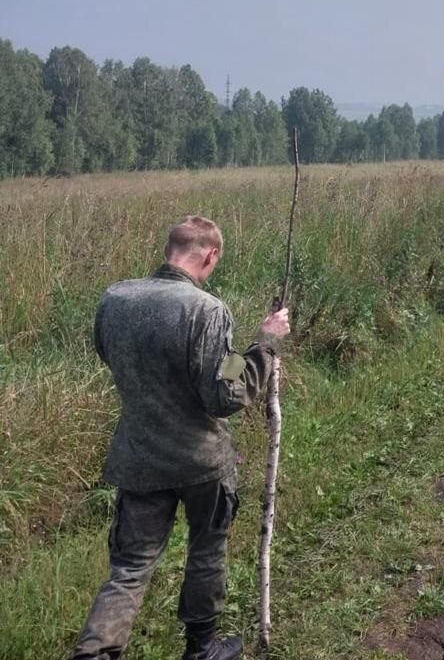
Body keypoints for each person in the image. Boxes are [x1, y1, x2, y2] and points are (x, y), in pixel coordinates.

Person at [69, 216, 290, 660]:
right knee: (206, 549)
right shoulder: (205, 310)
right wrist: (262, 346)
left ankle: (94, 654)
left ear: (170, 249)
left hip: (140, 454)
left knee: (130, 567)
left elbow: (111, 359)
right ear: (210, 255)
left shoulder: (115, 299)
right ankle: (202, 648)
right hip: (201, 461)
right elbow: (224, 394)